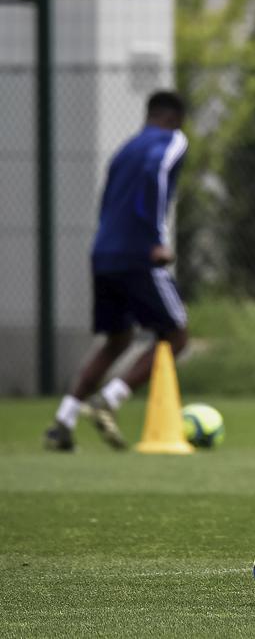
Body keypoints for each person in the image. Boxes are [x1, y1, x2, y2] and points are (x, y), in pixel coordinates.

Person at [44, 91, 190, 452]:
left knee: (118, 340)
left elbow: (108, 197)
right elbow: (154, 172)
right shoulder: (172, 140)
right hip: (139, 253)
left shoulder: (126, 148)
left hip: (104, 253)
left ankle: (63, 420)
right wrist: (156, 238)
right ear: (174, 118)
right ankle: (108, 400)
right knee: (176, 336)